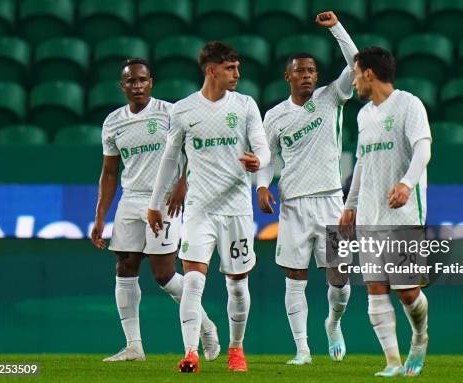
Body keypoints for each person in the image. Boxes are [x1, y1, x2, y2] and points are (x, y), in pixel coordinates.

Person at [147, 42, 270, 373]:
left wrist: (260, 161)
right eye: (231, 68)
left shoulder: (245, 106)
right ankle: (190, 352)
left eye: (238, 67)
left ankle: (236, 350)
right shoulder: (184, 110)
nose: (237, 74)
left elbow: (263, 148)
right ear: (211, 70)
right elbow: (171, 158)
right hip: (199, 209)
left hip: (237, 211)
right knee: (192, 281)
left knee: (237, 285)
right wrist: (155, 203)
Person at [91, 58, 220, 362]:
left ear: (151, 82)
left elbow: (194, 152)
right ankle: (134, 346)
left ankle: (206, 326)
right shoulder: (113, 122)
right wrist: (100, 215)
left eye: (142, 80)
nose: (137, 85)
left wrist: (181, 187)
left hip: (163, 200)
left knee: (163, 274)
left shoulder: (170, 113)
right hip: (130, 199)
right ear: (122, 86)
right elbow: (109, 172)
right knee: (125, 267)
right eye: (131, 81)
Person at [256, 11, 357, 365]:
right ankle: (302, 350)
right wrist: (262, 186)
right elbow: (267, 158)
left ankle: (333, 322)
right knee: (294, 277)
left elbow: (356, 64)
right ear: (288, 76)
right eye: (300, 71)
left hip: (331, 200)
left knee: (340, 279)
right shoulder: (275, 116)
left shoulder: (332, 97)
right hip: (294, 204)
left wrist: (337, 29)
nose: (307, 76)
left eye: (312, 71)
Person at [340, 47, 432, 377]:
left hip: (403, 213)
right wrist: (350, 207)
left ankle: (420, 338)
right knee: (375, 287)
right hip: (369, 213)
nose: (353, 81)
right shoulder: (364, 115)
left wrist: (407, 184)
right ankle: (392, 361)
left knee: (407, 291)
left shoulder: (409, 104)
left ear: (368, 74)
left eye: (355, 73)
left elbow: (423, 148)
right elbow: (362, 163)